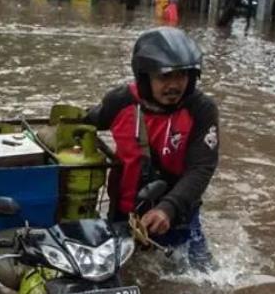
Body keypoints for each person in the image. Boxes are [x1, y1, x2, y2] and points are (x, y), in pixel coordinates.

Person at [85, 27, 219, 269]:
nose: (174, 85)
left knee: (205, 281)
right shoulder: (121, 101)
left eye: (181, 76)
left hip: (178, 217)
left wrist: (168, 209)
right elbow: (89, 121)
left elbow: (202, 167)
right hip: (123, 217)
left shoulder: (202, 110)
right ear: (145, 77)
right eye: (164, 77)